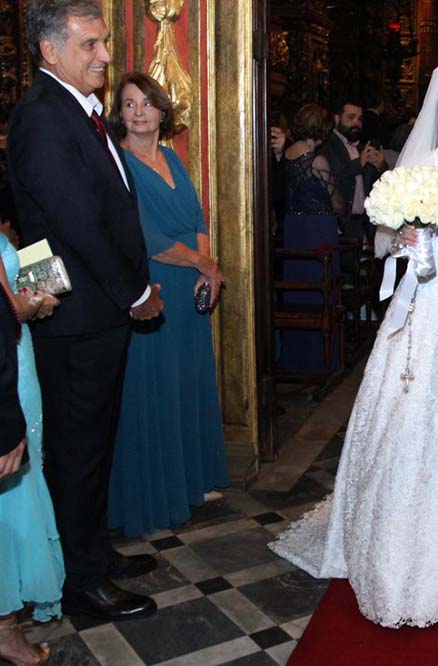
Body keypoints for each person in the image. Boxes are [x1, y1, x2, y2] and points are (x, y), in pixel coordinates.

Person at [270, 52, 438, 628]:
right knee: (409, 418)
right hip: (424, 306)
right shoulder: (424, 165)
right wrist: (402, 233)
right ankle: (394, 536)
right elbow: (383, 234)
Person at [6, 0, 163, 621]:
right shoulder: (42, 116)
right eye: (90, 44)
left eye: (103, 42)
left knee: (93, 443)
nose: (104, 55)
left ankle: (93, 552)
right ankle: (81, 583)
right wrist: (135, 292)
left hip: (91, 309)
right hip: (77, 314)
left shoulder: (76, 110)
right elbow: (76, 223)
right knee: (77, 450)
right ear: (50, 51)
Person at [102, 72, 228, 537]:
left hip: (189, 283)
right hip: (152, 288)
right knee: (153, 387)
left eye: (146, 103)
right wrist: (205, 264)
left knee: (186, 383)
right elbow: (147, 238)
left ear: (161, 110)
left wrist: (204, 271)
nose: (138, 112)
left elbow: (196, 218)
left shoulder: (172, 157)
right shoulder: (118, 163)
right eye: (129, 104)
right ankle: (155, 494)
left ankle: (189, 482)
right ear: (120, 114)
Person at [0, 235, 63, 666]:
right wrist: (36, 302)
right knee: (11, 498)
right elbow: (6, 310)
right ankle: (5, 626)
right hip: (7, 371)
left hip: (14, 361)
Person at [274, 103, 345, 374]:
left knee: (297, 290)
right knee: (322, 293)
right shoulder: (318, 161)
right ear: (323, 130)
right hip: (318, 230)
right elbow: (338, 203)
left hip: (293, 228)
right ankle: (321, 362)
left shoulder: (286, 155)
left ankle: (296, 359)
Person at [318, 96, 386, 242]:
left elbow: (374, 185)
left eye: (359, 119)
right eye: (351, 117)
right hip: (338, 225)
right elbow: (331, 177)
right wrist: (359, 163)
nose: (356, 123)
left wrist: (381, 166)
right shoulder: (327, 145)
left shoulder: (362, 147)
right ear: (337, 118)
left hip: (361, 224)